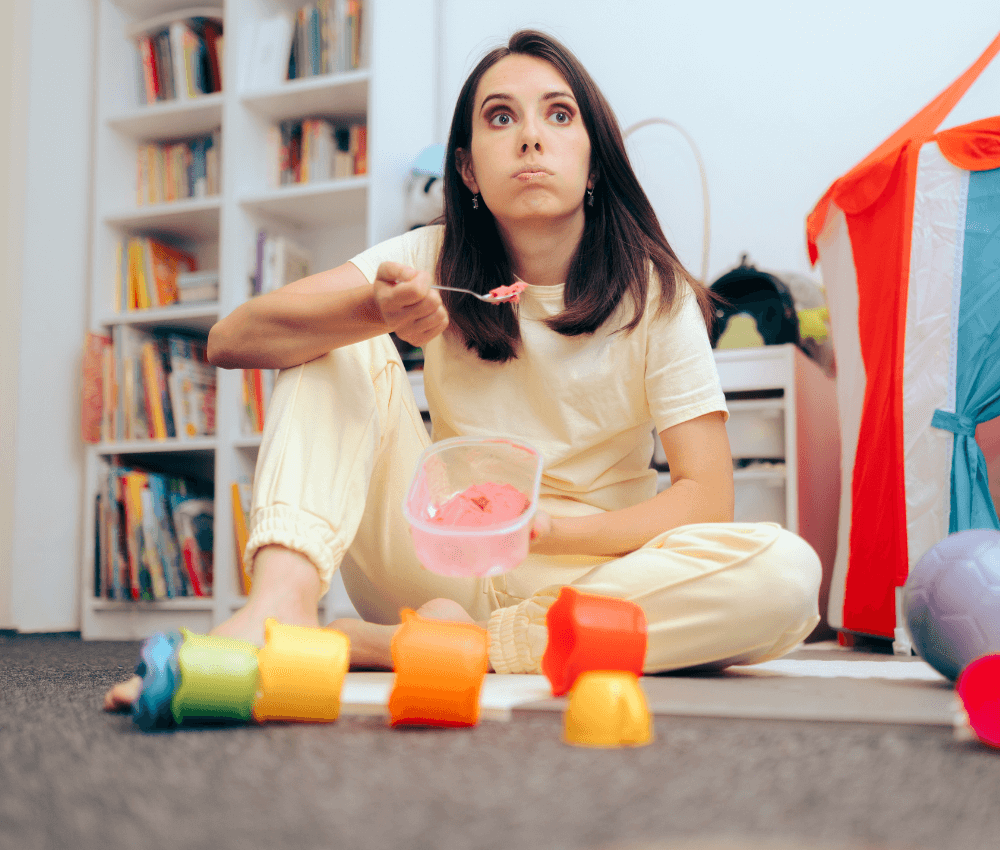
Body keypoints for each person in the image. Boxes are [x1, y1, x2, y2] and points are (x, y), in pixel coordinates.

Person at [106, 29, 820, 710]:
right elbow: (232, 338)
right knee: (333, 338)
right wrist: (371, 311)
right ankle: (278, 604)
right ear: (470, 169)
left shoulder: (655, 295)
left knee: (787, 577)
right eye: (501, 117)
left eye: (559, 115)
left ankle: (458, 646)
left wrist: (547, 528)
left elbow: (705, 497)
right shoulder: (428, 257)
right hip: (436, 564)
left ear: (594, 160)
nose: (531, 136)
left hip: (594, 578)